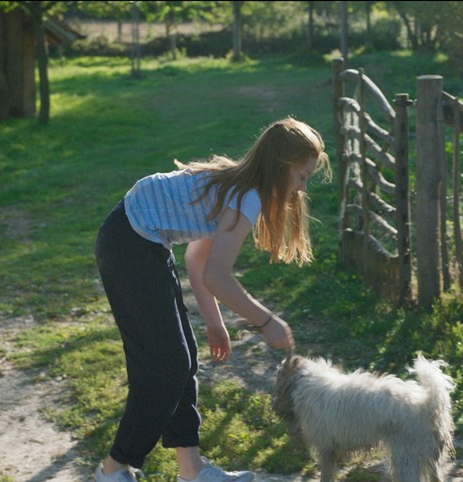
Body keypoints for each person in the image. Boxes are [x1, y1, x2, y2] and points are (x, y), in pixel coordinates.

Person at [93, 117, 331, 482]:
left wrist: (215, 324)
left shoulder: (237, 187)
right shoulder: (247, 196)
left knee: (182, 358)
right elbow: (218, 276)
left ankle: (191, 471)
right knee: (167, 365)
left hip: (140, 240)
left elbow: (198, 260)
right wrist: (267, 321)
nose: (301, 188)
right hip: (129, 242)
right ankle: (113, 468)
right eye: (301, 176)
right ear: (279, 167)